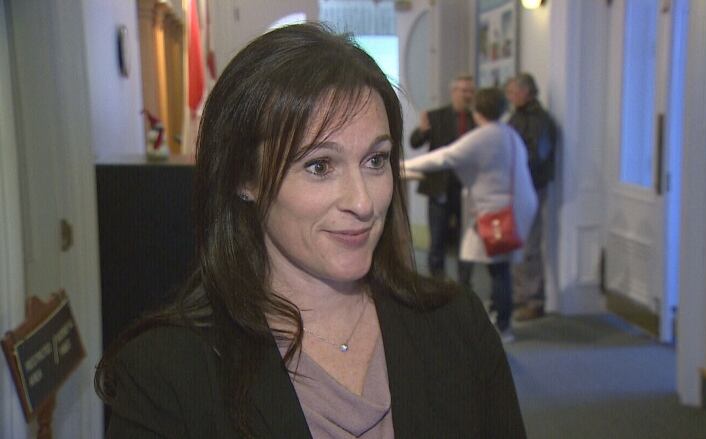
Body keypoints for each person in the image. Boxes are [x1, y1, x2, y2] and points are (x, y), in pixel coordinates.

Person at [94, 24, 526, 438]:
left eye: (375, 161)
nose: (362, 202)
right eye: (319, 166)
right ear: (245, 178)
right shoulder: (165, 375)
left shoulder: (459, 325)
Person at [404, 88, 538, 342]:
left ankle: (502, 325)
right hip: (513, 208)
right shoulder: (508, 133)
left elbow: (444, 157)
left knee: (497, 268)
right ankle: (495, 314)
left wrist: (401, 165)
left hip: (498, 214)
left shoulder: (484, 137)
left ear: (477, 112)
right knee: (493, 264)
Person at [409, 75, 475, 284]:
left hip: (467, 189)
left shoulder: (478, 119)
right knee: (437, 238)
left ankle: (465, 285)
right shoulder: (436, 116)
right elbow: (415, 142)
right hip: (440, 187)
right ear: (454, 92)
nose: (467, 95)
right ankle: (437, 284)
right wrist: (422, 130)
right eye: (463, 90)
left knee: (467, 240)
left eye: (470, 91)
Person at [504, 73, 556, 321]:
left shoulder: (539, 120)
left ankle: (534, 301)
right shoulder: (518, 116)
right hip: (517, 188)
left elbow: (536, 155)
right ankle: (519, 297)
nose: (510, 96)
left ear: (527, 91)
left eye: (513, 91)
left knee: (530, 245)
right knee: (516, 244)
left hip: (531, 188)